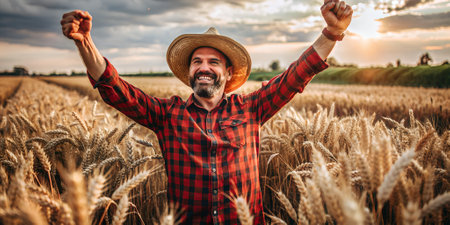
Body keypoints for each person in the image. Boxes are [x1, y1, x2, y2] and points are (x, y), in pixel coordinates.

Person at [61, 0, 353, 224]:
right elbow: (115, 89)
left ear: (227, 73)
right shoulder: (167, 116)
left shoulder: (251, 109)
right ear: (189, 72)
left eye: (213, 62)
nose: (203, 67)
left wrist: (331, 33)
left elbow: (295, 76)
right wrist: (85, 42)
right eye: (196, 61)